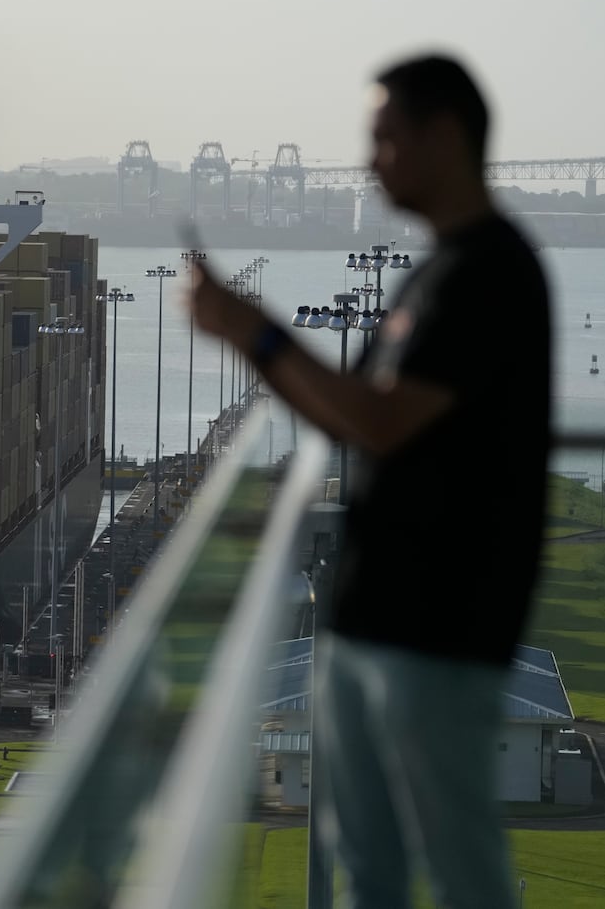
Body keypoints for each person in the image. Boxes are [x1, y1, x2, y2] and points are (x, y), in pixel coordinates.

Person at [189, 54, 550, 909]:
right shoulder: (429, 275)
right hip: (368, 619)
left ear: (446, 136)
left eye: (385, 138)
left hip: (443, 627)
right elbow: (348, 415)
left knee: (462, 870)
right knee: (366, 871)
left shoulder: (490, 275)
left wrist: (259, 330)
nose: (370, 161)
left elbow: (382, 418)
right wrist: (248, 341)